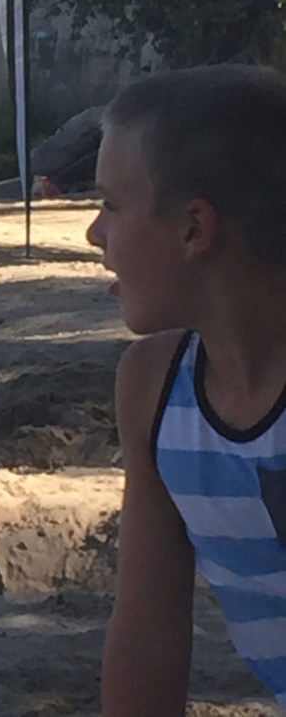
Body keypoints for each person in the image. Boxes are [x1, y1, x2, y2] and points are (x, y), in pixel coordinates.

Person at [87, 64, 286, 715]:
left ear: (194, 228)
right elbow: (148, 639)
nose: (95, 234)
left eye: (112, 205)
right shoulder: (154, 388)